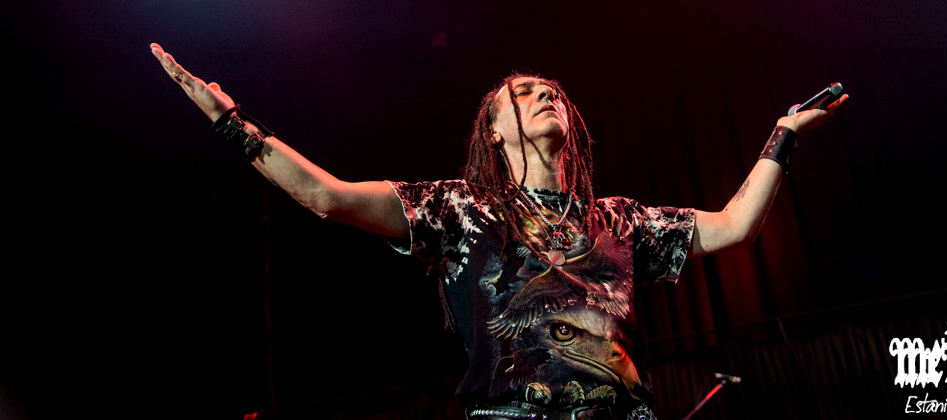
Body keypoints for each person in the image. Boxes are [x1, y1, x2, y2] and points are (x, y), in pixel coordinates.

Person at [150, 42, 847, 420]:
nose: (546, 95)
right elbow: (327, 198)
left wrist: (781, 136)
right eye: (524, 92)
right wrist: (230, 122)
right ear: (494, 127)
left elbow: (733, 226)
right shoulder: (460, 209)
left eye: (554, 92)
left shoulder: (622, 219)